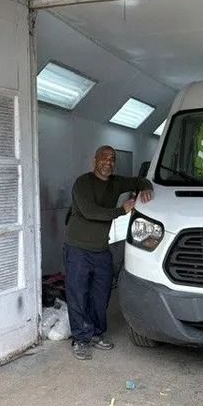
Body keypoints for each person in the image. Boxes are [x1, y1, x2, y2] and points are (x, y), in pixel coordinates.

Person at [64, 145, 153, 360]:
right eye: (104, 158)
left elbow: (138, 180)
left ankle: (95, 333)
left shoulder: (116, 182)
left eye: (112, 159)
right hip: (78, 249)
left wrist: (147, 186)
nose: (108, 162)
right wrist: (121, 210)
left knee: (101, 294)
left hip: (101, 250)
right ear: (94, 161)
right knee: (78, 294)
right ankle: (80, 338)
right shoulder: (82, 183)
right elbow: (90, 212)